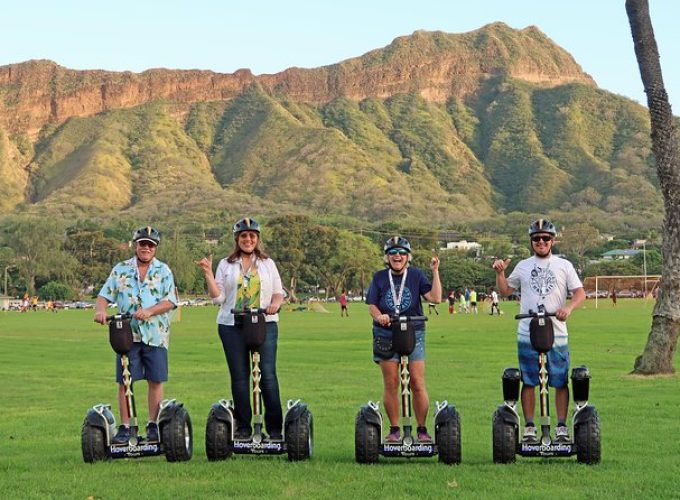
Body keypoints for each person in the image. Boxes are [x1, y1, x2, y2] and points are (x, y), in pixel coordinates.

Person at [492, 218, 585, 444]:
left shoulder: (564, 265)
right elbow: (505, 291)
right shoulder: (523, 265)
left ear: (552, 241)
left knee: (560, 379)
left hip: (557, 329)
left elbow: (580, 293)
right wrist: (500, 273)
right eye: (536, 239)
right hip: (527, 329)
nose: (541, 242)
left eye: (545, 238)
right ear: (531, 242)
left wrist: (568, 308)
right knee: (529, 380)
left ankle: (561, 426)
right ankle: (530, 427)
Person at [197, 217, 285, 440]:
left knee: (267, 375)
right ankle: (244, 427)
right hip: (231, 325)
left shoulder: (268, 263)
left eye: (252, 236)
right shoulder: (226, 264)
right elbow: (218, 298)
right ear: (237, 239)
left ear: (257, 239)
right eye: (244, 236)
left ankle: (275, 429)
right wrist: (207, 273)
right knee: (239, 377)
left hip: (264, 323)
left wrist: (275, 304)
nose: (248, 239)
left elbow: (278, 292)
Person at [94, 226, 178, 444]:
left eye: (150, 244)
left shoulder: (164, 271)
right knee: (124, 381)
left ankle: (153, 425)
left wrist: (150, 310)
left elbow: (171, 301)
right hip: (126, 335)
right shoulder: (120, 269)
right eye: (142, 244)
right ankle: (125, 427)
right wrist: (101, 310)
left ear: (155, 247)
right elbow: (104, 295)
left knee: (155, 380)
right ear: (135, 245)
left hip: (156, 334)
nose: (146, 248)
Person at [366, 236, 442, 443]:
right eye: (392, 253)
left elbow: (435, 298)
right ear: (387, 257)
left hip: (413, 331)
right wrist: (379, 316)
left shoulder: (416, 275)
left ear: (408, 257)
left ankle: (422, 429)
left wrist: (435, 272)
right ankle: (394, 429)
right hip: (386, 333)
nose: (397, 256)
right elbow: (372, 304)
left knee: (417, 382)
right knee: (391, 383)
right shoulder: (380, 277)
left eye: (401, 253)